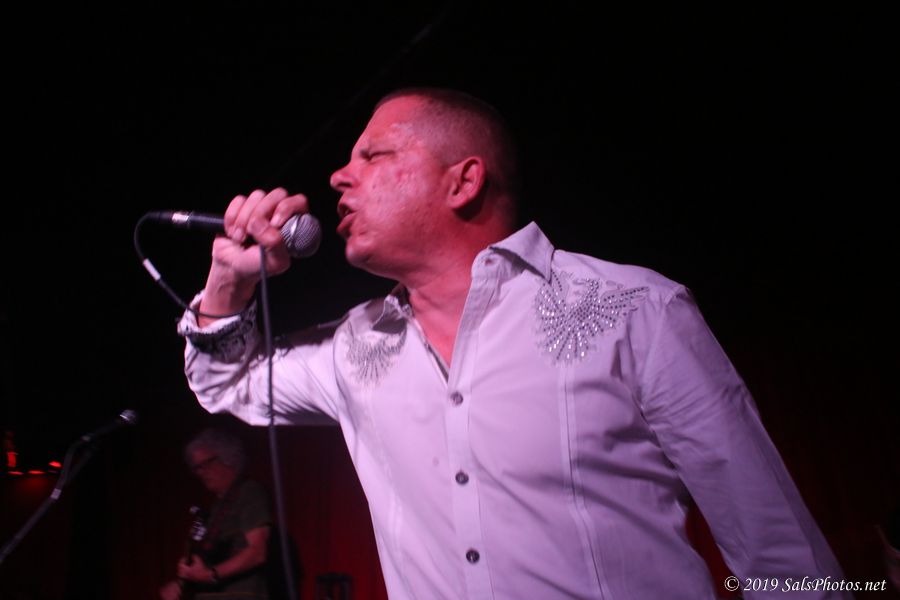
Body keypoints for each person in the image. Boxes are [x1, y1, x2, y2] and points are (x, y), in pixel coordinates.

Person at [178, 88, 849, 599]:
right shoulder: (354, 348)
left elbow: (780, 553)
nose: (338, 176)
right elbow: (223, 383)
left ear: (463, 181)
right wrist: (229, 282)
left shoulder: (634, 310)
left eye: (373, 156)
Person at [160, 428, 271, 600]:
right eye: (196, 468)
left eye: (205, 464)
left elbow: (257, 552)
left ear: (228, 458)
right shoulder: (215, 509)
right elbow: (208, 561)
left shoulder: (249, 492)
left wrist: (211, 574)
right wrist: (181, 583)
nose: (200, 473)